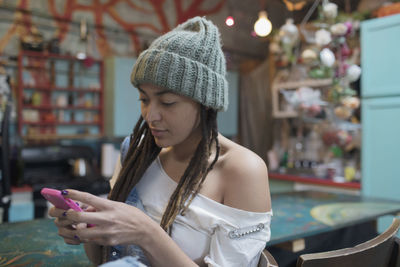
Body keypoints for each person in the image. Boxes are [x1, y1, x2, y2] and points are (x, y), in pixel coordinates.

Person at [49, 16, 272, 267]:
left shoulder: (241, 170)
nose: (150, 116)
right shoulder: (136, 154)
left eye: (167, 102)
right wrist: (86, 229)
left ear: (205, 103)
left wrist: (147, 233)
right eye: (144, 99)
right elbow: (104, 257)